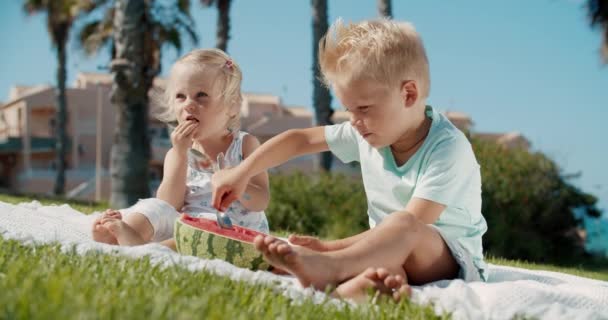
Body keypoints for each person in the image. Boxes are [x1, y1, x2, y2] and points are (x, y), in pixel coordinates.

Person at [211, 19, 488, 302]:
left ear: (408, 94)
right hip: (391, 253)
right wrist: (243, 172)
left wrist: (328, 250)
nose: (354, 121)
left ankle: (329, 268)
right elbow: (300, 140)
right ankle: (349, 292)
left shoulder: (448, 148)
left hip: (453, 262)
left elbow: (414, 223)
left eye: (364, 108)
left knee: (403, 224)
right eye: (349, 109)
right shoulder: (365, 131)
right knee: (385, 273)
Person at [92, 48, 270, 248]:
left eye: (201, 95)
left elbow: (260, 201)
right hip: (186, 222)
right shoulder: (176, 153)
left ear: (232, 106)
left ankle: (148, 249)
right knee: (153, 207)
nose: (189, 105)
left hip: (231, 231)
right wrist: (179, 154)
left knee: (201, 235)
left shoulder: (244, 145)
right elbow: (168, 204)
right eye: (180, 96)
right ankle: (127, 232)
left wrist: (238, 181)